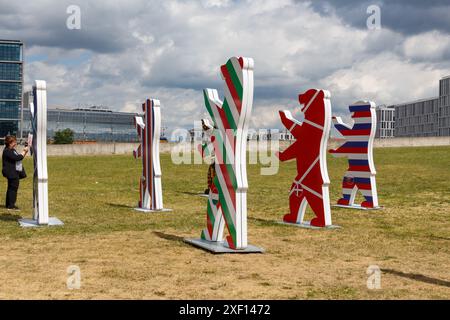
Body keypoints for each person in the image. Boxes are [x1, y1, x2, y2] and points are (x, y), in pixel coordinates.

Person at [2, 135, 29, 210]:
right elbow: (17, 158)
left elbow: (19, 157)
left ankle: (8, 204)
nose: (15, 143)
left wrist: (25, 151)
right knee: (13, 189)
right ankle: (11, 206)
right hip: (11, 173)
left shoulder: (12, 150)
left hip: (13, 172)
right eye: (14, 142)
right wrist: (24, 151)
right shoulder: (7, 151)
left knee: (10, 188)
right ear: (10, 143)